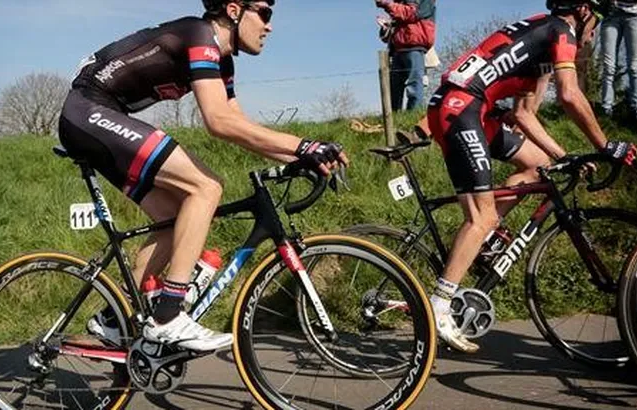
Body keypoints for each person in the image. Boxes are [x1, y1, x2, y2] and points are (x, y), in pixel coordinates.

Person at [57, 0, 348, 352]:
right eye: (264, 13)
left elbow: (239, 125)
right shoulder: (199, 35)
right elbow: (218, 121)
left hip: (99, 118)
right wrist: (304, 146)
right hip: (87, 111)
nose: (269, 26)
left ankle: (113, 320)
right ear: (234, 10)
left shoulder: (222, 61)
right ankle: (168, 315)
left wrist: (301, 156)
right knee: (206, 187)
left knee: (174, 219)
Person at [424, 0, 637, 353]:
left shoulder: (542, 34)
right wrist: (606, 145)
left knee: (539, 165)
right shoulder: (562, 31)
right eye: (597, 22)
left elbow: (524, 113)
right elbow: (569, 94)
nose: (593, 35)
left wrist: (563, 156)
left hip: (468, 107)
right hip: (462, 109)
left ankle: (484, 237)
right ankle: (440, 305)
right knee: (481, 216)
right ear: (584, 11)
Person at [375, 0, 436, 111]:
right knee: (395, 86)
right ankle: (393, 115)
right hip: (398, 49)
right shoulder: (400, 4)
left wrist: (388, 4)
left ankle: (413, 112)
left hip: (414, 46)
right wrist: (387, 26)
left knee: (414, 82)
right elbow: (393, 31)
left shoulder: (424, 2)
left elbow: (411, 13)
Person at [600, 0, 637, 120]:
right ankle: (606, 108)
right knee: (608, 66)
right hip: (611, 16)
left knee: (634, 67)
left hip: (636, 17)